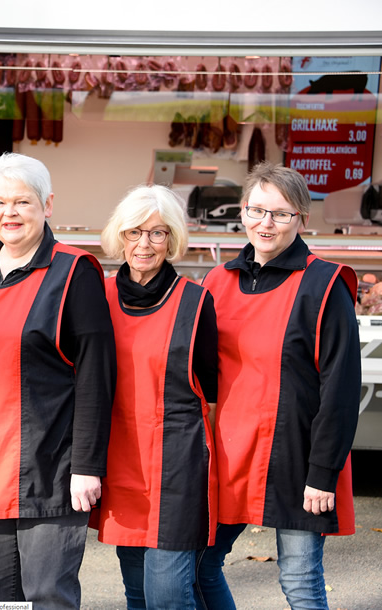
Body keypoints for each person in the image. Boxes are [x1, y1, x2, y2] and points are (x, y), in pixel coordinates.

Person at [0, 152, 116, 609]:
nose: (9, 213)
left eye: (22, 202)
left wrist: (87, 467)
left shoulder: (74, 272)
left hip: (51, 468)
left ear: (48, 205)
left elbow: (96, 379)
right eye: (0, 203)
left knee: (47, 598)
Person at [197, 162, 360, 609]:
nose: (265, 223)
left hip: (297, 457)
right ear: (243, 212)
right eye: (256, 210)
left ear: (301, 219)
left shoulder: (324, 284)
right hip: (230, 454)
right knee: (199, 568)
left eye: (281, 213)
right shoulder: (217, 281)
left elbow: (341, 390)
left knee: (301, 583)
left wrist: (323, 473)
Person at [96, 185, 218, 609]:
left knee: (167, 595)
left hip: (176, 469)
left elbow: (213, 395)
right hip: (119, 461)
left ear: (172, 240)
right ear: (120, 236)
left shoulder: (196, 302)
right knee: (136, 591)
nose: (143, 244)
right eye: (134, 232)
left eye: (157, 233)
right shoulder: (97, 296)